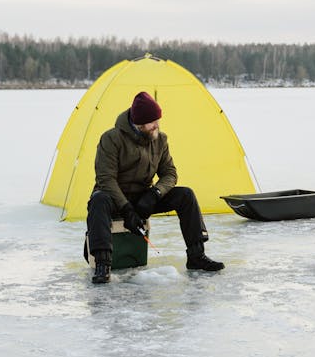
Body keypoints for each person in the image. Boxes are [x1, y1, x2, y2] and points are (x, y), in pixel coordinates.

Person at [86, 91, 223, 283]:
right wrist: (126, 208)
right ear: (139, 123)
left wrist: (154, 194)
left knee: (186, 195)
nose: (157, 125)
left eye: (158, 120)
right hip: (114, 197)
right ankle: (103, 265)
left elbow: (170, 173)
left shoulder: (160, 139)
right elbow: (105, 179)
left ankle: (196, 256)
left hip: (144, 199)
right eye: (152, 122)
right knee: (98, 200)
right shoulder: (111, 139)